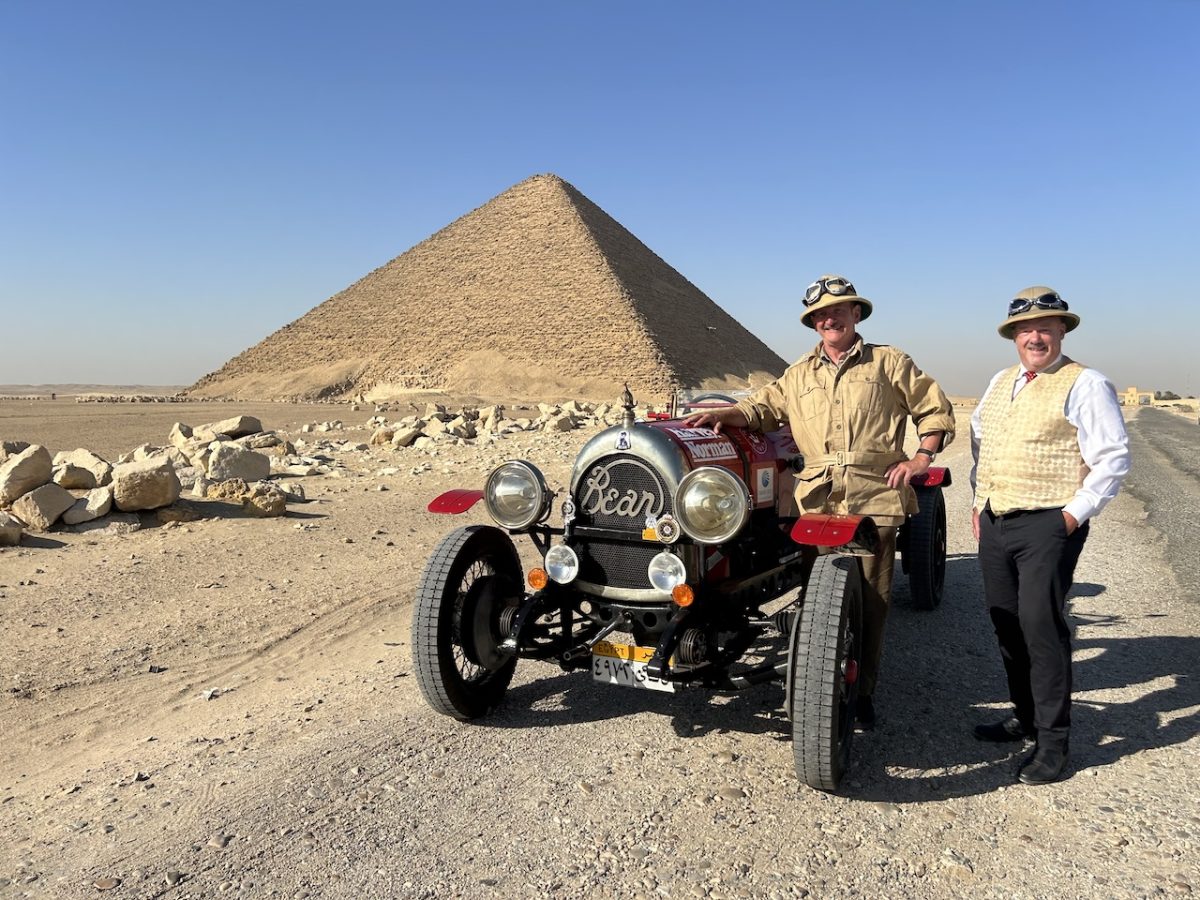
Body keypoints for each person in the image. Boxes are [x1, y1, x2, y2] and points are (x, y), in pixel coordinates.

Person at [683, 274, 955, 727]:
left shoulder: (888, 362)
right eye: (821, 314)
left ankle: (863, 690)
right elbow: (760, 409)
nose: (831, 319)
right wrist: (722, 413)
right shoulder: (798, 372)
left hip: (875, 492)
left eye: (839, 310)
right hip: (818, 500)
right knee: (821, 602)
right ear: (814, 323)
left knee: (870, 599)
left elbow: (933, 407)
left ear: (856, 314)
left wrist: (922, 457)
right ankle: (817, 684)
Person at [970, 285, 1130, 785]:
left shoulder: (1085, 383)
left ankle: (1054, 743)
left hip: (1048, 521)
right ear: (1013, 336)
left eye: (1045, 326)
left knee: (1042, 626)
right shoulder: (1001, 381)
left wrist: (1072, 515)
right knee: (1006, 622)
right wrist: (980, 501)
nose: (1034, 336)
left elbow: (1113, 458)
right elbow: (981, 440)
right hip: (996, 520)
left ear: (1063, 330)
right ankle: (1024, 716)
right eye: (1025, 329)